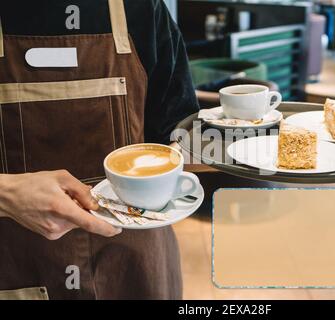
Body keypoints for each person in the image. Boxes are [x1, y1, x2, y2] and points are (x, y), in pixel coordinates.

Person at [0, 0, 199, 299]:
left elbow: (179, 129)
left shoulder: (142, 8)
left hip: (134, 261)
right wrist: (6, 192)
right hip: (19, 261)